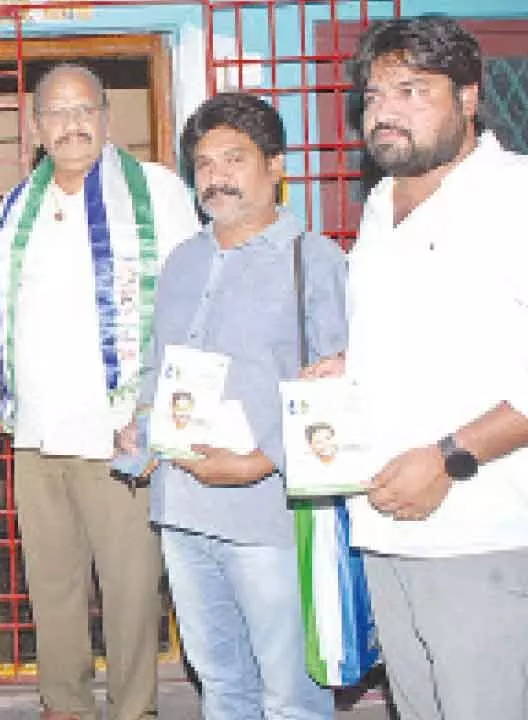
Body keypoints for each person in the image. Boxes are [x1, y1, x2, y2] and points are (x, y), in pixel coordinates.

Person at [0, 63, 200, 720]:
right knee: (53, 592)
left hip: (122, 435)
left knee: (129, 594)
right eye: (56, 114)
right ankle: (63, 708)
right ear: (37, 127)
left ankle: (133, 711)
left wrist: (160, 412)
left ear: (105, 117)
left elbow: (190, 306)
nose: (71, 125)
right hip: (36, 438)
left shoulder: (156, 192)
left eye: (83, 110)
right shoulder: (18, 208)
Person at [303, 17, 528, 719]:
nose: (386, 110)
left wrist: (451, 457)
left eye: (411, 89)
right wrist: (350, 365)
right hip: (385, 524)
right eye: (373, 96)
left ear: (467, 96)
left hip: (479, 531)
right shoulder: (380, 204)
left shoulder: (514, 196)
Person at [132, 92, 343, 719]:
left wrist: (261, 461)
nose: (215, 177)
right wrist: (140, 432)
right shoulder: (182, 261)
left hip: (268, 515)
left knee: (290, 694)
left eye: (233, 159)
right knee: (221, 685)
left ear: (275, 166)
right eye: (203, 164)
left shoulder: (314, 260)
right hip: (182, 509)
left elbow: (337, 387)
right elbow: (158, 367)